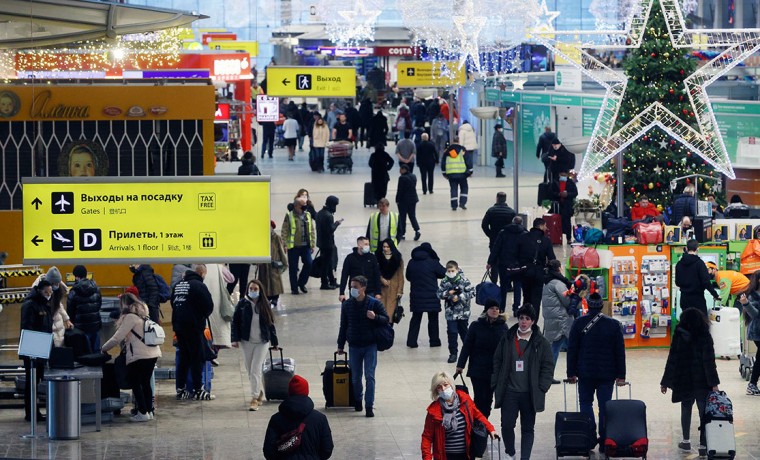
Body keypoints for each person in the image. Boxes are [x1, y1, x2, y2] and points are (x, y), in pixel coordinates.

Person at [492, 304, 555, 460]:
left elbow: (548, 366)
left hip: (530, 393)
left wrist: (542, 387)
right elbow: (497, 361)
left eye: (527, 319)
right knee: (506, 425)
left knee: (527, 428)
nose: (523, 322)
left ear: (533, 321)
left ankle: (524, 458)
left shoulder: (542, 343)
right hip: (510, 392)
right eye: (521, 318)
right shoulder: (507, 338)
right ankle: (511, 452)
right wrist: (496, 383)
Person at [567, 293, 627, 451]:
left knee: (586, 403)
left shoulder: (579, 323)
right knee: (604, 406)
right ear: (602, 306)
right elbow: (619, 352)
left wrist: (571, 372)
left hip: (585, 372)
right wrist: (621, 375)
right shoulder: (613, 325)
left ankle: (589, 436)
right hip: (607, 374)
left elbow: (572, 350)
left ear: (587, 305)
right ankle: (605, 439)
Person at [660, 308, 720, 457]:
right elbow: (709, 362)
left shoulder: (679, 334)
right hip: (702, 381)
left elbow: (672, 359)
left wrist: (665, 382)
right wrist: (714, 383)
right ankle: (703, 444)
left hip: (684, 379)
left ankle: (686, 440)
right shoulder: (705, 335)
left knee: (686, 409)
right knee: (703, 412)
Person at [101, 293, 162, 422]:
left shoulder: (130, 317)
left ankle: (142, 412)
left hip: (139, 356)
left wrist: (103, 348)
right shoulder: (144, 315)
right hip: (153, 353)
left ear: (125, 304)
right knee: (145, 383)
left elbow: (117, 337)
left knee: (136, 383)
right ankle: (149, 411)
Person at [336, 276, 390, 417]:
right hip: (354, 346)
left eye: (355, 286)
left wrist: (375, 317)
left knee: (369, 376)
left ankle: (369, 405)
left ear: (363, 288)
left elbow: (386, 320)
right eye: (351, 286)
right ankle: (358, 400)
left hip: (369, 345)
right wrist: (340, 345)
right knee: (355, 377)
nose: (352, 289)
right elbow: (344, 326)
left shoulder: (374, 304)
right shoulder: (347, 305)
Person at [421, 371, 498, 460]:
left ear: (452, 385)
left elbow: (478, 415)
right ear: (436, 390)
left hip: (466, 455)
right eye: (439, 387)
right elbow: (427, 437)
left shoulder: (464, 400)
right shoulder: (434, 411)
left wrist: (491, 429)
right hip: (445, 456)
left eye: (446, 385)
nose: (443, 389)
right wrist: (427, 458)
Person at [455, 299, 508, 418]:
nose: (494, 311)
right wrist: (460, 365)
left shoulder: (503, 327)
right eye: (492, 308)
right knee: (479, 398)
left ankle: (483, 424)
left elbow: (507, 349)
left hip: (494, 370)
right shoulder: (476, 326)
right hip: (477, 369)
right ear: (486, 310)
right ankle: (478, 425)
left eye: (496, 309)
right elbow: (467, 345)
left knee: (488, 399)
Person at [232, 280, 278, 411]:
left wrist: (274, 342)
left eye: (255, 288)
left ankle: (254, 398)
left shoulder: (265, 304)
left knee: (255, 369)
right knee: (249, 369)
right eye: (251, 288)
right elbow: (235, 322)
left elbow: (271, 324)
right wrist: (234, 339)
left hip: (262, 342)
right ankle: (258, 393)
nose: (253, 291)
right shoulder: (242, 304)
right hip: (246, 341)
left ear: (260, 290)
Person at [263, 375, 334, 459]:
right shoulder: (320, 418)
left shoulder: (276, 419)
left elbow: (268, 451)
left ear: (289, 392)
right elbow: (327, 449)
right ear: (306, 392)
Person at [171, 268, 214, 401]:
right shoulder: (199, 285)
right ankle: (198, 389)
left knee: (183, 358)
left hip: (178, 326)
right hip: (193, 326)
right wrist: (200, 315)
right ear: (201, 274)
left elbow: (173, 303)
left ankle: (181, 389)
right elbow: (208, 306)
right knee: (197, 357)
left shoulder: (178, 285)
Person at [20, 279, 55, 422]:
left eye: (50, 292)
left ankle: (35, 411)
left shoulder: (44, 304)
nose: (49, 294)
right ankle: (31, 413)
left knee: (37, 380)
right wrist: (34, 349)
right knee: (31, 383)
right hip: (33, 350)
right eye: (46, 292)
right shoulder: (30, 305)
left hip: (42, 348)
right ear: (40, 291)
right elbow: (27, 328)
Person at [406, 242, 447, 348]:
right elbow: (443, 273)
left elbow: (408, 277)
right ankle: (434, 341)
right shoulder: (433, 262)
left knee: (415, 318)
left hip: (416, 296)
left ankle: (411, 341)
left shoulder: (411, 262)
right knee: (433, 319)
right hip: (432, 296)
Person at [516, 218, 556, 320]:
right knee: (536, 300)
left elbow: (516, 255)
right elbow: (552, 259)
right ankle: (533, 323)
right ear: (541, 226)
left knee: (526, 297)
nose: (546, 228)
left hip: (525, 272)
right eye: (545, 226)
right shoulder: (546, 241)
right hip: (538, 273)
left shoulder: (522, 238)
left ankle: (524, 320)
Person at [541, 260, 573, 384]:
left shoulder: (547, 282)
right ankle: (571, 374)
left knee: (554, 348)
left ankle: (548, 375)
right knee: (559, 348)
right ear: (558, 268)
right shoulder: (558, 283)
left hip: (553, 319)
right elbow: (567, 301)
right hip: (561, 321)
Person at [437, 261, 475, 363]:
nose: (451, 273)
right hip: (450, 313)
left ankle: (469, 352)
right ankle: (453, 353)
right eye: (449, 271)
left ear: (457, 270)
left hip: (463, 313)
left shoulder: (464, 280)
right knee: (452, 332)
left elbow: (472, 292)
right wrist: (448, 294)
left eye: (452, 271)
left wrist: (459, 297)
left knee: (464, 333)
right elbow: (439, 294)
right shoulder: (444, 282)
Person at [488, 216, 528, 314]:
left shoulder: (503, 233)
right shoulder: (525, 234)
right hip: (518, 266)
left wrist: (490, 262)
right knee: (517, 286)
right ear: (521, 223)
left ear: (512, 222)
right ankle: (516, 308)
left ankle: (501, 308)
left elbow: (496, 248)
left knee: (503, 287)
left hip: (504, 264)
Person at [282, 192, 316, 295]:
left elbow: (312, 230)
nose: (304, 208)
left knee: (309, 263)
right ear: (296, 206)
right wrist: (284, 244)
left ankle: (301, 282)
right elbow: (284, 230)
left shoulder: (308, 215)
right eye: (302, 206)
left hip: (306, 245)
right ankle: (294, 288)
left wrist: (313, 243)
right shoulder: (289, 215)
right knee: (293, 268)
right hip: (293, 247)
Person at [675, 240, 720, 316]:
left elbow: (677, 282)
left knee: (687, 323)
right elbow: (706, 282)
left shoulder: (679, 264)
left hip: (684, 299)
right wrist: (715, 295)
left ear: (686, 248)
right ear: (697, 249)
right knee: (700, 324)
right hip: (697, 300)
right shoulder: (700, 263)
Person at [67, 264, 103, 352]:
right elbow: (99, 305)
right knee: (96, 351)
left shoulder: (74, 292)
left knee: (84, 352)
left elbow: (70, 310)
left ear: (75, 276)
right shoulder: (96, 289)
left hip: (80, 327)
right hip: (95, 325)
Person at [339, 236, 382, 302]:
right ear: (359, 245)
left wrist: (378, 292)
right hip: (356, 291)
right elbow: (344, 275)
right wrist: (341, 293)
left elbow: (376, 275)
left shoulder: (372, 257)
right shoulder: (350, 258)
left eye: (368, 244)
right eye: (366, 244)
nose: (368, 246)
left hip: (370, 290)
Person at [200, 264, 232, 350]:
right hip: (218, 303)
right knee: (218, 329)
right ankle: (214, 351)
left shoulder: (201, 266)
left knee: (206, 328)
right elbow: (231, 279)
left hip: (204, 302)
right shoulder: (220, 267)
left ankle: (208, 350)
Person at [257, 220, 288, 309]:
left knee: (275, 282)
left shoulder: (276, 238)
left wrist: (284, 263)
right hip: (263, 265)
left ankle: (275, 298)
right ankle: (266, 297)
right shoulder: (261, 238)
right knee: (264, 282)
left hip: (274, 265)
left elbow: (281, 251)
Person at [739, 271, 760, 396]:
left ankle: (752, 384)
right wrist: (746, 303)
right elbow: (755, 314)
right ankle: (752, 384)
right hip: (758, 331)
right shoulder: (753, 296)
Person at [376, 238, 405, 324]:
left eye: (387, 247)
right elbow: (375, 272)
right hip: (381, 290)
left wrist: (400, 290)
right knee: (381, 313)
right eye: (384, 247)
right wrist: (381, 279)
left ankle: (388, 333)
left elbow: (400, 275)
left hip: (393, 290)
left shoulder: (397, 258)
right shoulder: (378, 257)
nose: (385, 249)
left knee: (390, 315)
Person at [316, 196, 342, 290]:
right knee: (326, 264)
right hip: (328, 244)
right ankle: (324, 283)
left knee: (328, 262)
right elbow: (330, 230)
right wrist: (337, 223)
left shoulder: (320, 213)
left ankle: (331, 280)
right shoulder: (328, 215)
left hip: (321, 242)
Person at [550, 171, 579, 244]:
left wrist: (567, 194)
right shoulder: (555, 182)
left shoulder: (570, 183)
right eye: (561, 175)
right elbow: (550, 193)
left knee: (567, 222)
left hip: (567, 206)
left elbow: (575, 193)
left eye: (564, 175)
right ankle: (556, 238)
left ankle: (568, 238)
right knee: (556, 222)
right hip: (557, 206)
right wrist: (559, 194)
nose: (563, 176)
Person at [441, 143, 470, 211]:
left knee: (453, 189)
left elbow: (443, 163)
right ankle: (462, 203)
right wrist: (469, 171)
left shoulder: (447, 152)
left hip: (451, 174)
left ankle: (454, 206)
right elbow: (468, 161)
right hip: (462, 174)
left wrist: (444, 173)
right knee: (464, 188)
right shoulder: (462, 150)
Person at [396, 164, 421, 242]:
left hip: (404, 200)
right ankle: (417, 230)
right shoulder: (414, 176)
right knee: (412, 216)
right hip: (413, 199)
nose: (399, 171)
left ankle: (402, 234)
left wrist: (397, 200)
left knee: (402, 217)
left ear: (404, 169)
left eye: (400, 169)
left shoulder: (402, 178)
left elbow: (400, 190)